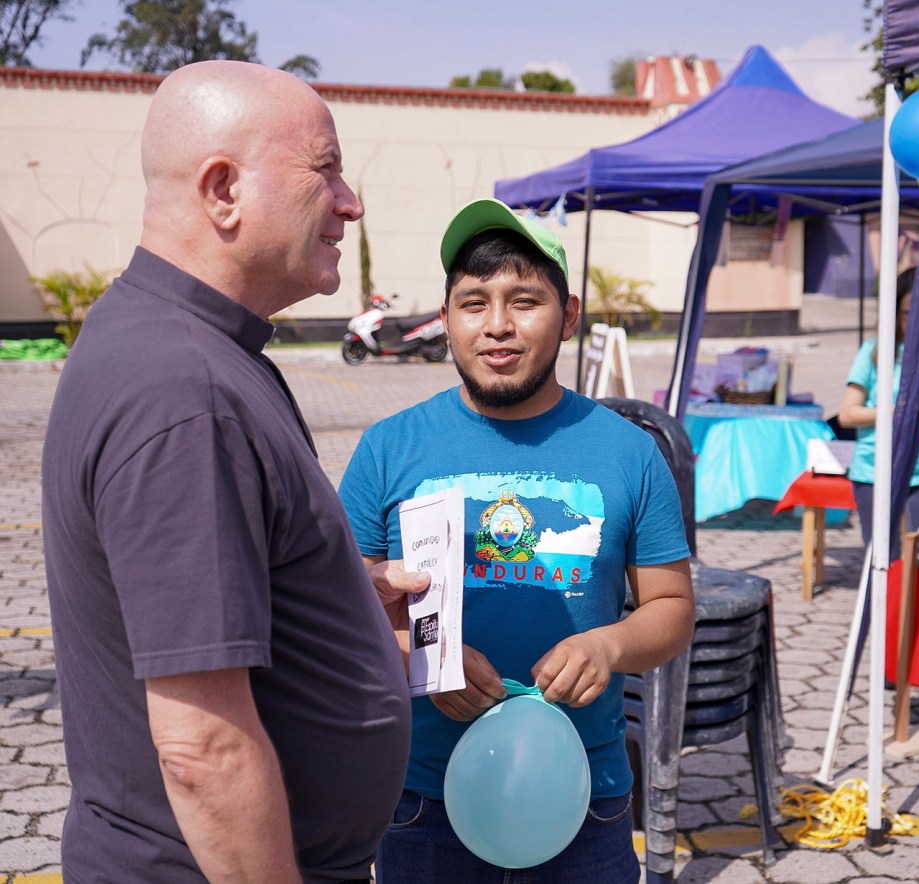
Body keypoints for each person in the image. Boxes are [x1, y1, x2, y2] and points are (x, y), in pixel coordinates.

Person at [41, 60, 411, 883]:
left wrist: (337, 597)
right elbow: (202, 750)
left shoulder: (186, 347)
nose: (350, 202)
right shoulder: (185, 390)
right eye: (325, 170)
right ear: (223, 190)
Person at [338, 198, 696, 884]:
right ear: (446, 318)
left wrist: (609, 645)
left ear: (570, 315)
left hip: (583, 800)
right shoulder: (388, 448)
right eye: (473, 303)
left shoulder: (629, 452)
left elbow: (673, 608)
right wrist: (419, 651)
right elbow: (337, 609)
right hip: (424, 804)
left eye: (524, 301)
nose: (497, 325)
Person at [837, 267, 919, 558]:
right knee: (882, 559)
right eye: (909, 314)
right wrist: (900, 412)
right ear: (894, 314)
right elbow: (847, 415)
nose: (917, 323)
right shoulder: (874, 352)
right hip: (876, 470)